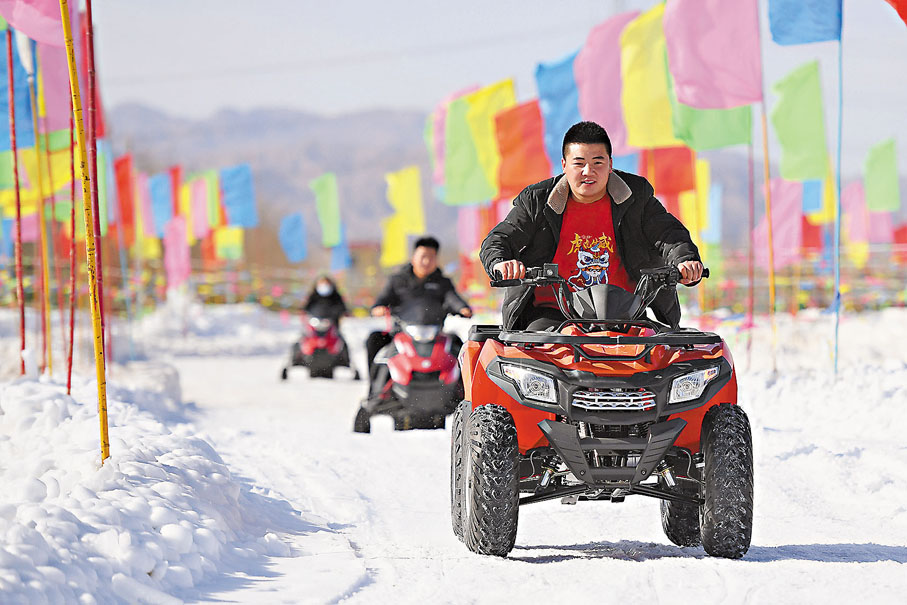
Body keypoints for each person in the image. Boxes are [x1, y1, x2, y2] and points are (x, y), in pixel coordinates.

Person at [480, 120, 703, 331]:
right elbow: (498, 240)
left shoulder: (637, 198)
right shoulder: (536, 202)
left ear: (610, 165)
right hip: (554, 316)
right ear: (564, 165)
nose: (589, 172)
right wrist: (501, 263)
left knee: (662, 360)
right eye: (579, 163)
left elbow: (669, 234)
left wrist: (685, 261)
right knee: (529, 359)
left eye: (598, 163)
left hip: (625, 314)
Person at [365, 236, 472, 388]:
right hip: (400, 334)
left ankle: (463, 393)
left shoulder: (443, 282)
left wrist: (462, 308)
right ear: (413, 257)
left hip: (435, 335)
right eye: (423, 257)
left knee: (460, 347)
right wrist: (378, 308)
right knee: (374, 340)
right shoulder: (397, 280)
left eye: (431, 257)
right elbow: (382, 299)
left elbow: (453, 298)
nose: (427, 261)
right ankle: (374, 390)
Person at [299, 275, 353, 369]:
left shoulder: (336, 296)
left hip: (332, 326)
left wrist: (341, 313)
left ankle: (348, 363)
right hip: (315, 325)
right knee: (301, 339)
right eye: (322, 283)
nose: (324, 286)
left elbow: (343, 308)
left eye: (326, 283)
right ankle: (296, 359)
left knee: (342, 342)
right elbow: (306, 308)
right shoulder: (314, 296)